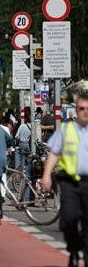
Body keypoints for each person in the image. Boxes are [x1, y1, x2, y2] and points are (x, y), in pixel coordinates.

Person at [42, 92, 88, 267]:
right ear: (76, 111)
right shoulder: (66, 130)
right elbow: (54, 153)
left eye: (87, 109)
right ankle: (74, 248)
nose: (84, 112)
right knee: (68, 219)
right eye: (81, 109)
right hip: (69, 182)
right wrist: (46, 175)